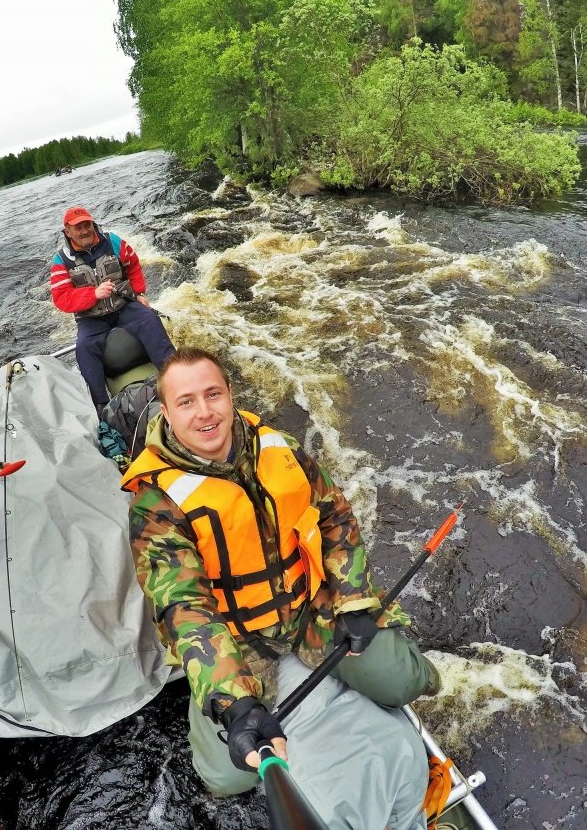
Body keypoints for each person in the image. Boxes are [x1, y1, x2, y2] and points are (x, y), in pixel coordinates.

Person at [121, 347, 439, 820]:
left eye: (213, 395)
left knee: (405, 681)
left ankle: (392, 670)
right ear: (166, 413)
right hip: (238, 641)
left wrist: (353, 601)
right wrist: (235, 701)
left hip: (311, 612)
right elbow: (185, 610)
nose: (205, 412)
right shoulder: (155, 504)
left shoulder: (280, 449)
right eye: (186, 402)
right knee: (226, 776)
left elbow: (334, 519)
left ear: (231, 396)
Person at [50, 206, 175, 413]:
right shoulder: (61, 261)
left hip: (124, 306)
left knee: (150, 320)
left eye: (87, 225)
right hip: (92, 319)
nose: (84, 231)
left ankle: (174, 373)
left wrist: (140, 292)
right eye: (78, 227)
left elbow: (133, 264)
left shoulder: (113, 242)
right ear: (67, 232)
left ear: (93, 224)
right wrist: (93, 295)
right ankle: (101, 406)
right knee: (84, 347)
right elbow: (61, 298)